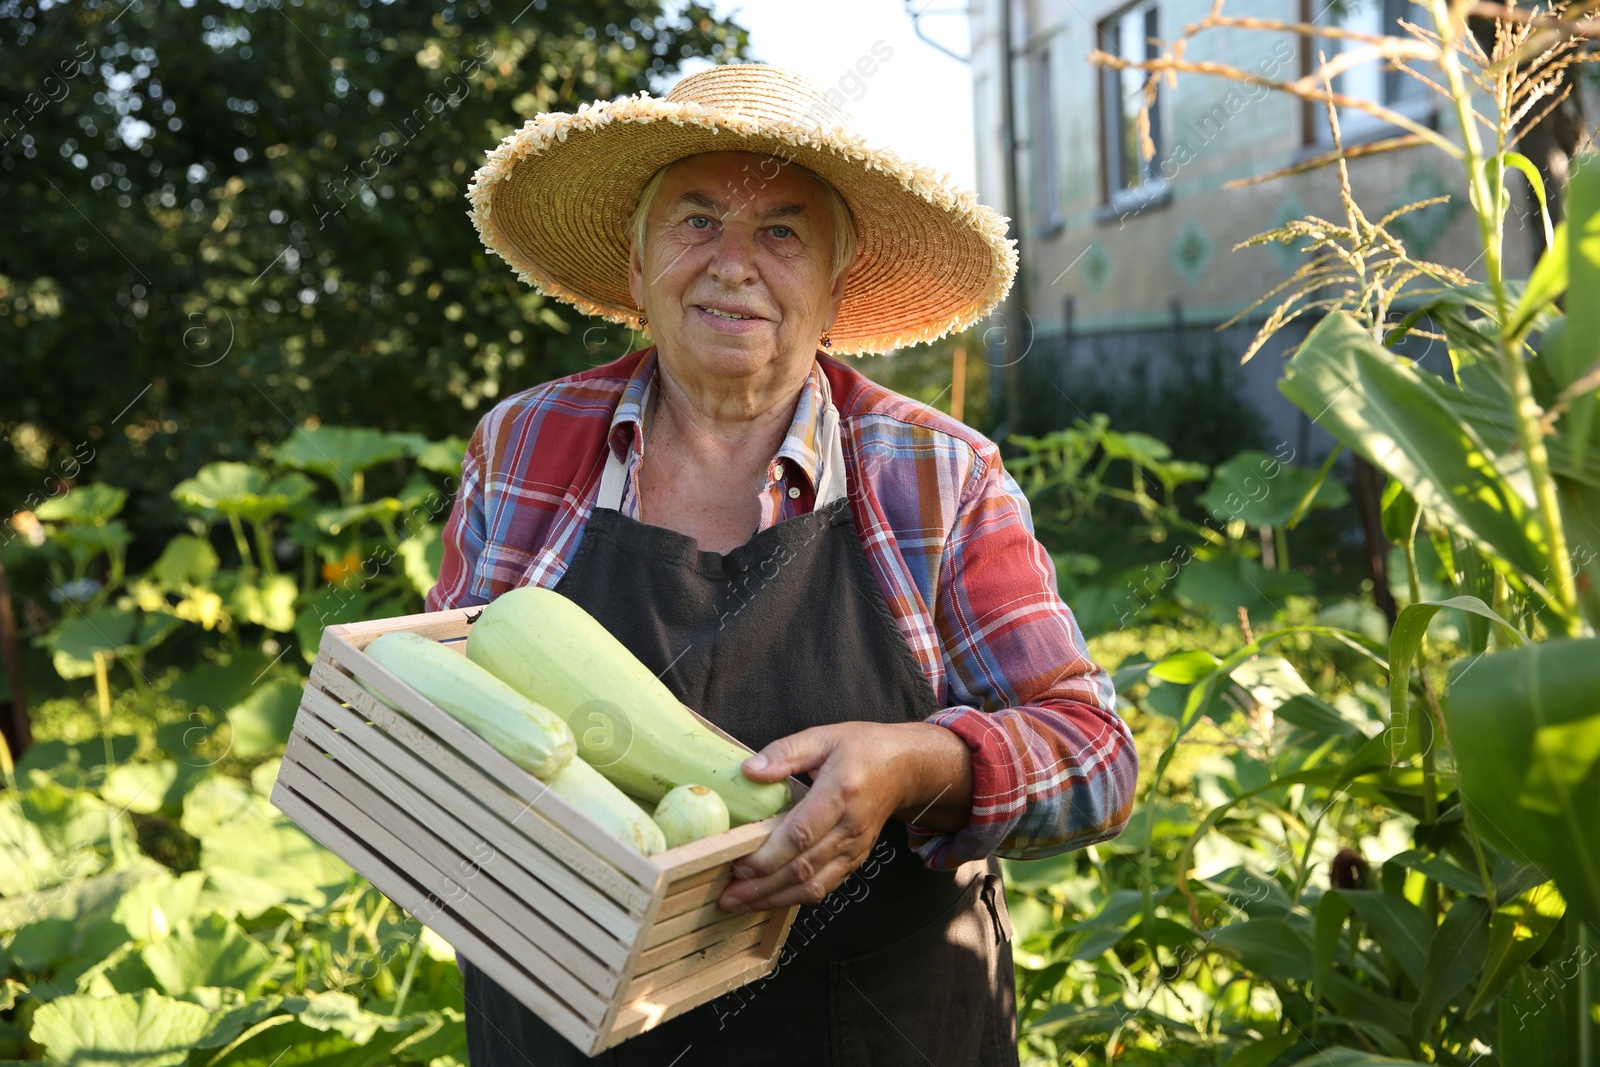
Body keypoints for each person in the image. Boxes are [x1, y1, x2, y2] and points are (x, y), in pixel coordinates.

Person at [427, 63, 1137, 1066]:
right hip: (564, 1017)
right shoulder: (525, 442)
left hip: (869, 1028)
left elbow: (1096, 757)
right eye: (697, 221)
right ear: (636, 269)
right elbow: (441, 705)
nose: (732, 264)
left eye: (780, 232)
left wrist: (915, 767)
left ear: (835, 286)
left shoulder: (936, 473)